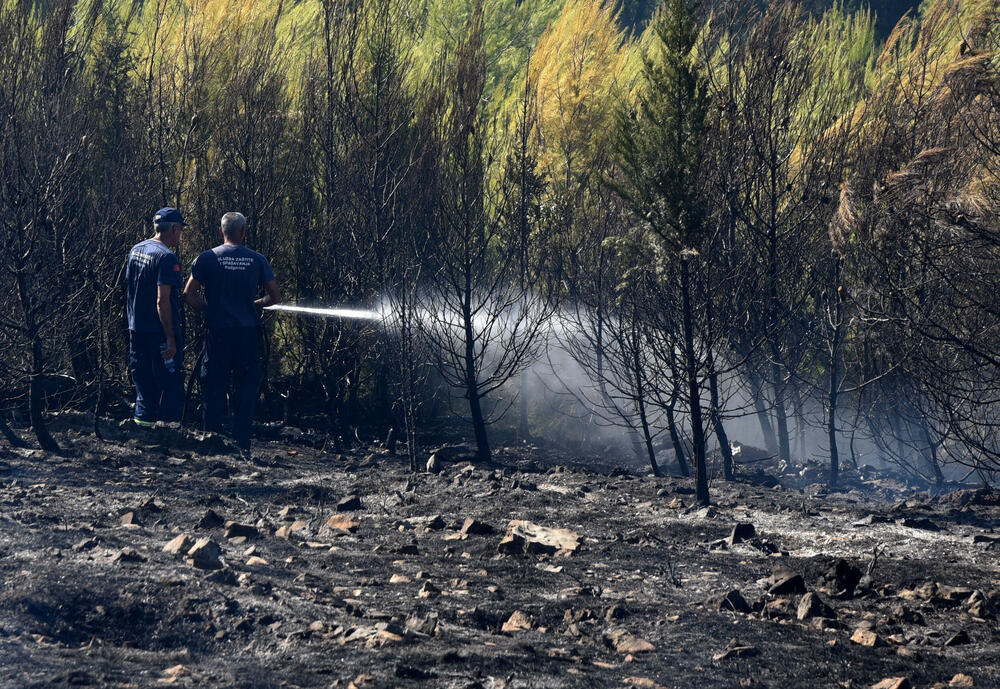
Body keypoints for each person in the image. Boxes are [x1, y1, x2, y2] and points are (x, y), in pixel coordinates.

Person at [183, 212, 281, 458]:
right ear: (243, 232)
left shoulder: (206, 258)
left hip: (218, 333)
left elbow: (188, 295)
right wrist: (255, 304)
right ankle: (242, 447)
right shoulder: (257, 260)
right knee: (246, 389)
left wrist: (208, 307)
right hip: (247, 334)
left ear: (221, 231)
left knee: (214, 386)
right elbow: (275, 298)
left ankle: (211, 444)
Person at [126, 207, 186, 427]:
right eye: (180, 230)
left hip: (136, 330)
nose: (179, 236)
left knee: (143, 385)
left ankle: (141, 434)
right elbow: (163, 301)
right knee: (168, 386)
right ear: (173, 228)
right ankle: (167, 436)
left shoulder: (136, 250)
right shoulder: (167, 258)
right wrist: (170, 338)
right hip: (158, 334)